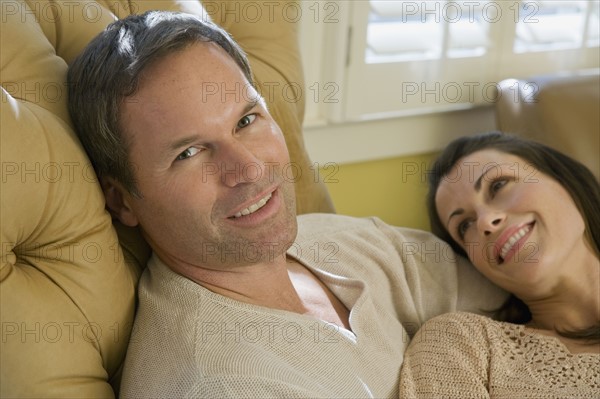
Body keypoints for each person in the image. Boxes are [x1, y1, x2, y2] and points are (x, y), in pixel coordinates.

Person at [67, 11, 507, 398]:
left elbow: (541, 304)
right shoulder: (221, 384)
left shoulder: (344, 239)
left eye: (246, 120)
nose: (250, 168)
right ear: (122, 201)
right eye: (188, 153)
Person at [399, 132, 600, 398]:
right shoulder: (464, 346)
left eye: (498, 185)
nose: (484, 221)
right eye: (464, 226)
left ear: (562, 179)